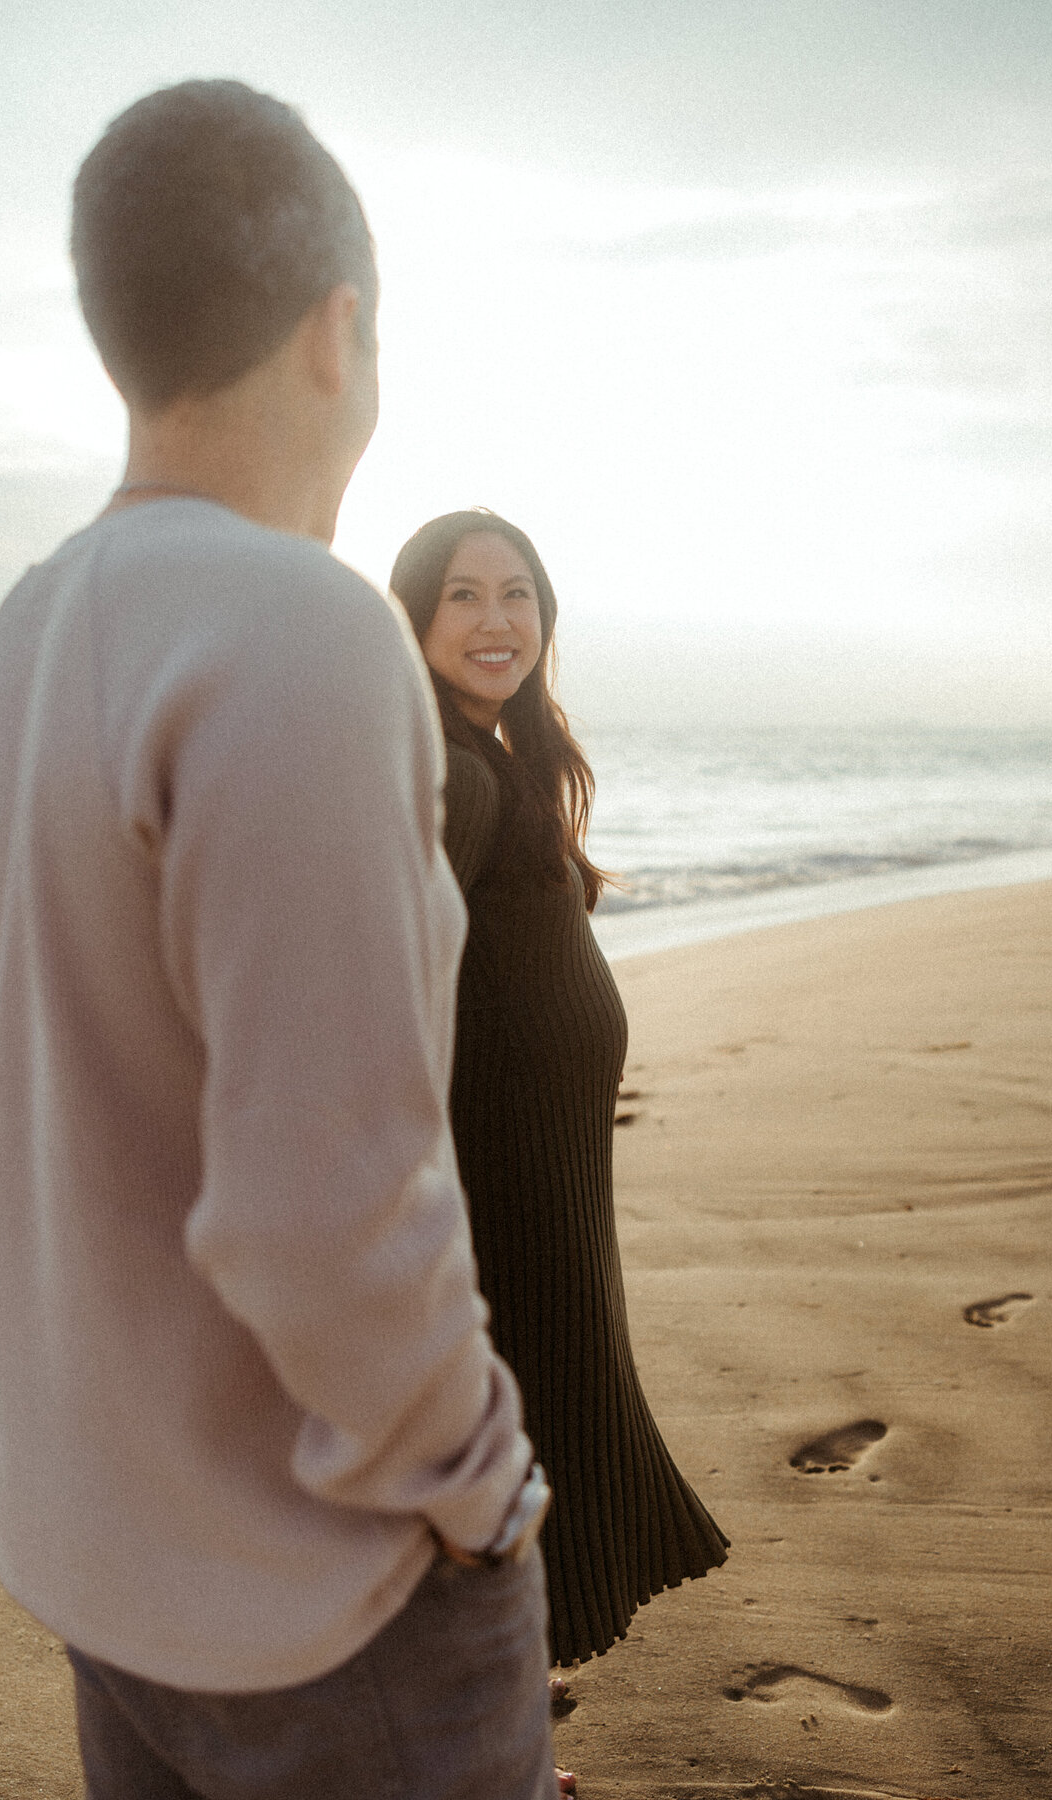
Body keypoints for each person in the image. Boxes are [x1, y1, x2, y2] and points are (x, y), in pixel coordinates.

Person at [0, 85, 559, 1800]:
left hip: (104, 1567)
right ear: (341, 329)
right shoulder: (303, 626)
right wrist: (483, 1490)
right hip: (323, 1592)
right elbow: (322, 1205)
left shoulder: (27, 622)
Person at [390, 510, 730, 1678]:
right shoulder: (448, 769)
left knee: (547, 1431)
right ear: (415, 618)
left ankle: (506, 1712)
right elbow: (375, 942)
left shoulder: (497, 750)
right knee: (516, 1444)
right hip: (497, 1184)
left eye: (518, 593)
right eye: (464, 597)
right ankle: (482, 1724)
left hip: (547, 1175)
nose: (497, 621)